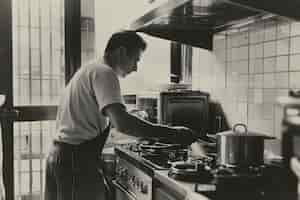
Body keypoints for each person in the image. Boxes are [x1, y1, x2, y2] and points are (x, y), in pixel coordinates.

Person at [44, 30, 198, 200]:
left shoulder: (91, 69)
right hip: (75, 161)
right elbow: (123, 123)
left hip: (60, 157)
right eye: (135, 60)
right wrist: (173, 133)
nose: (135, 68)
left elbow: (104, 115)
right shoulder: (105, 73)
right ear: (122, 52)